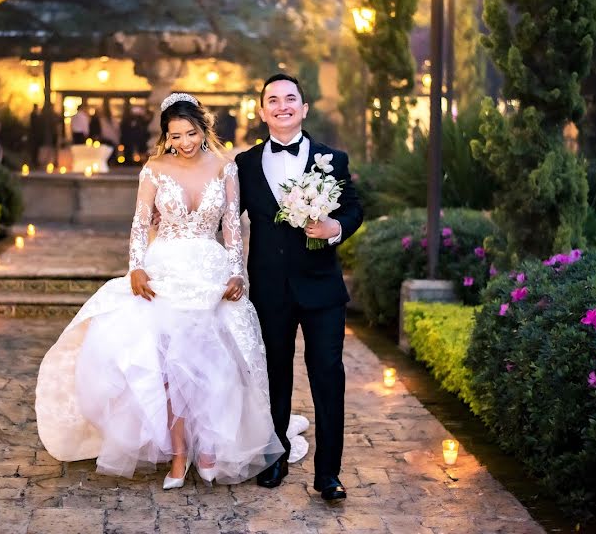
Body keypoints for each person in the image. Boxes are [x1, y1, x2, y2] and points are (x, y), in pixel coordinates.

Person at [36, 93, 285, 488]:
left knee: (210, 364)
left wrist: (238, 274)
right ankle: (178, 455)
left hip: (210, 272)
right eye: (175, 136)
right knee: (168, 368)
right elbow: (138, 225)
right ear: (165, 137)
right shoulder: (153, 169)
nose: (184, 143)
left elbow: (234, 229)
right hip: (164, 269)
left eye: (190, 133)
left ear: (203, 130)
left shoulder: (226, 168)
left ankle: (207, 451)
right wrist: (136, 268)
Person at [234, 74, 364, 502]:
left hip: (323, 290)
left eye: (291, 99)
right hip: (269, 289)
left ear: (305, 109)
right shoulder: (245, 165)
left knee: (328, 376)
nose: (282, 105)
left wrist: (335, 227)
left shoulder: (333, 159)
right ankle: (275, 457)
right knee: (273, 374)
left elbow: (354, 207)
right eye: (273, 99)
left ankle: (328, 473)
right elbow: (225, 217)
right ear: (262, 111)